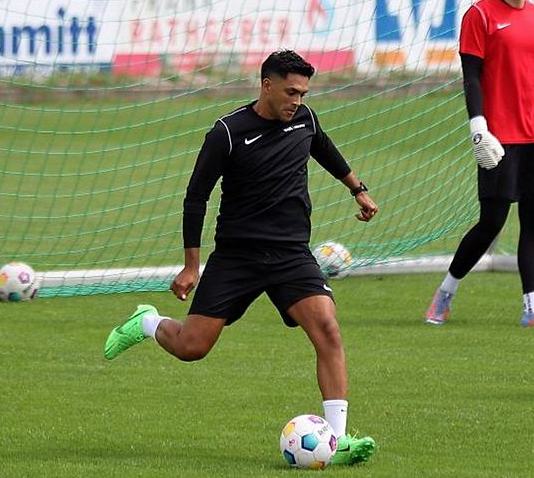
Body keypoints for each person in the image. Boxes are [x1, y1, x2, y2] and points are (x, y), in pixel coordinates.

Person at [103, 50, 380, 463]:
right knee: (192, 347)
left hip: (291, 254)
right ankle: (147, 321)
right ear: (266, 84)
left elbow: (323, 148)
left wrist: (357, 188)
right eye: (290, 92)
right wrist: (192, 265)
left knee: (328, 329)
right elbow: (196, 196)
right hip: (238, 256)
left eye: (303, 93)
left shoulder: (305, 119)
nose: (297, 101)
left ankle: (337, 442)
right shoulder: (228, 132)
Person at [424, 0, 534, 328]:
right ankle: (445, 293)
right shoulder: (480, 15)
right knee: (491, 222)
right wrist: (478, 127)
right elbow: (471, 77)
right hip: (499, 137)